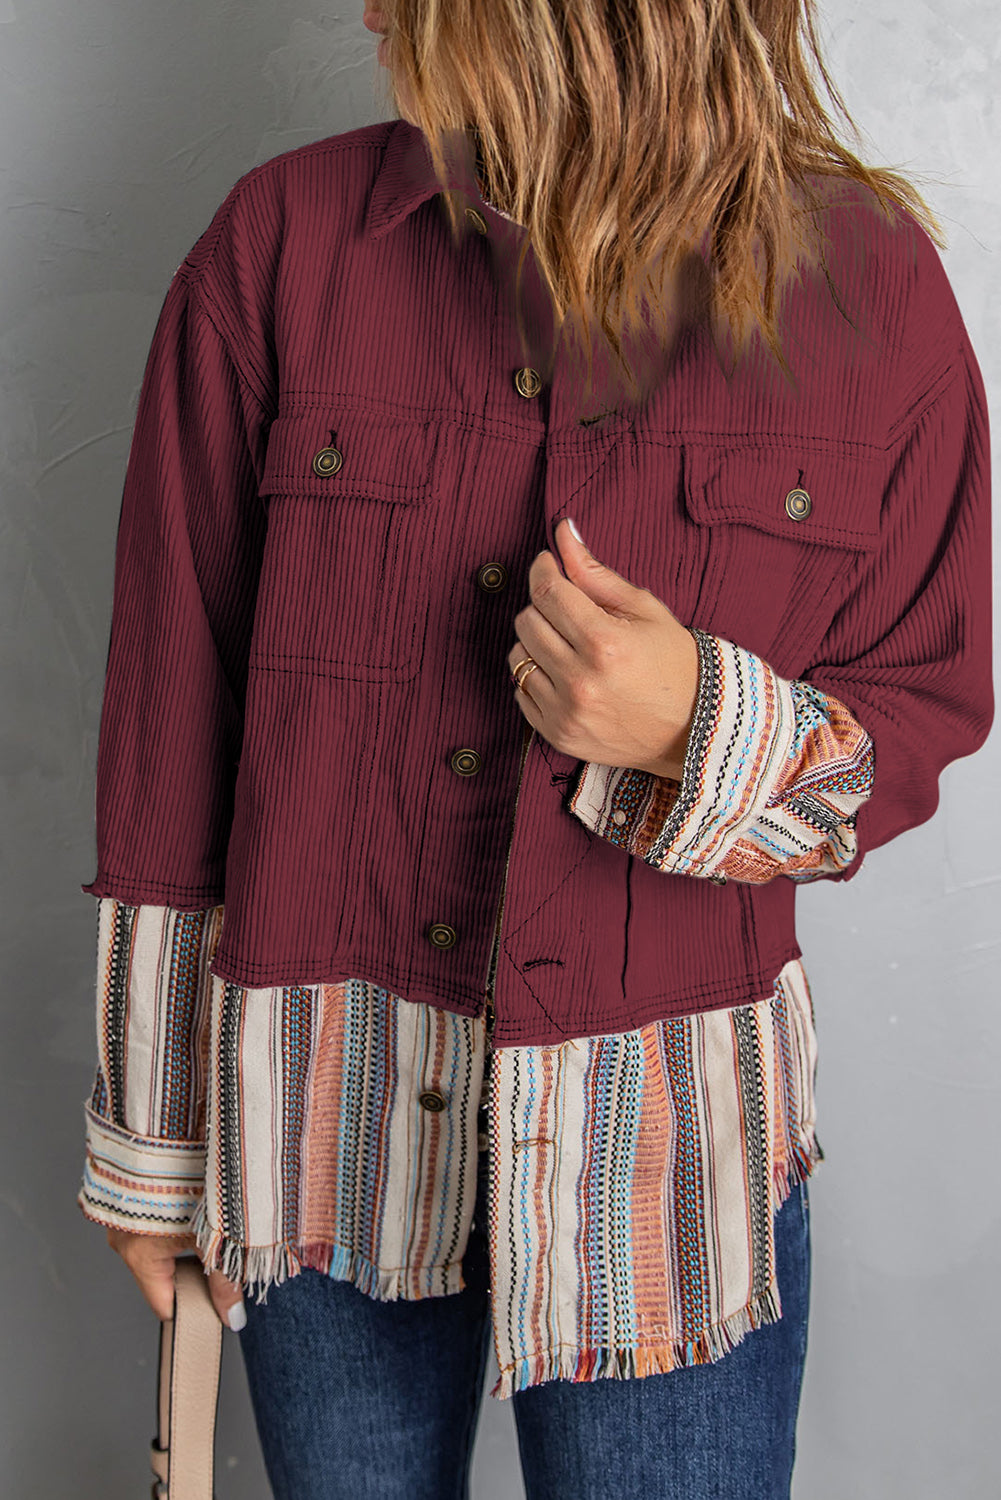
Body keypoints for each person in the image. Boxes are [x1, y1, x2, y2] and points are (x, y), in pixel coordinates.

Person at [77, 2, 992, 1496]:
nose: (373, 10)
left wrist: (695, 724)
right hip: (327, 1143)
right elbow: (171, 721)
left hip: (670, 1171)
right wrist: (149, 1142)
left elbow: (927, 702)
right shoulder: (278, 250)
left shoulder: (870, 287)